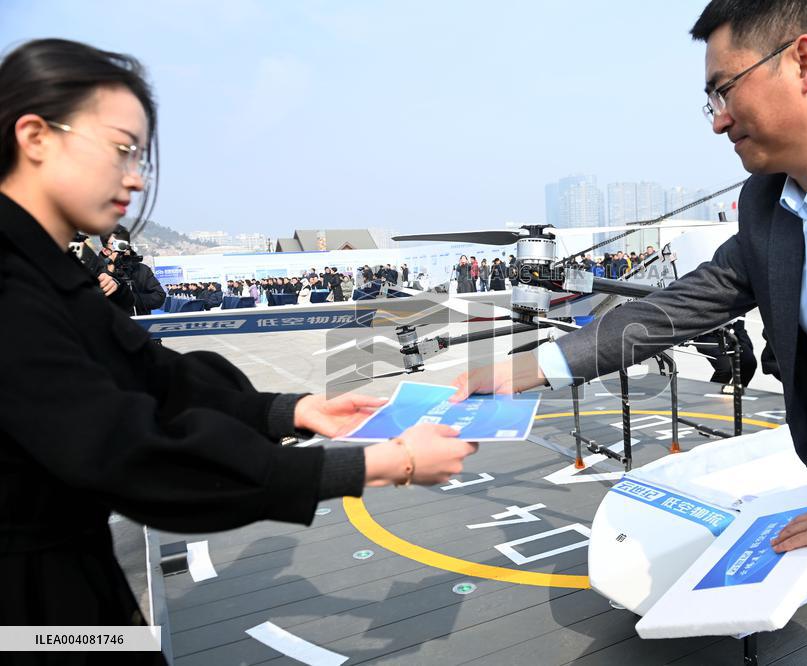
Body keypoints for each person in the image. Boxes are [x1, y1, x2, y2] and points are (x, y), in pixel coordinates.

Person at [451, 1, 807, 661]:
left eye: (724, 88)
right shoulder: (773, 204)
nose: (716, 120)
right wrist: (537, 365)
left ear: (803, 60)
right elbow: (683, 304)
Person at [0, 38, 478, 657]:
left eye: (139, 156)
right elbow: (130, 452)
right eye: (120, 149)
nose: (136, 178)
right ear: (35, 136)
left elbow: (154, 374)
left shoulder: (46, 270)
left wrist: (290, 410)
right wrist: (379, 465)